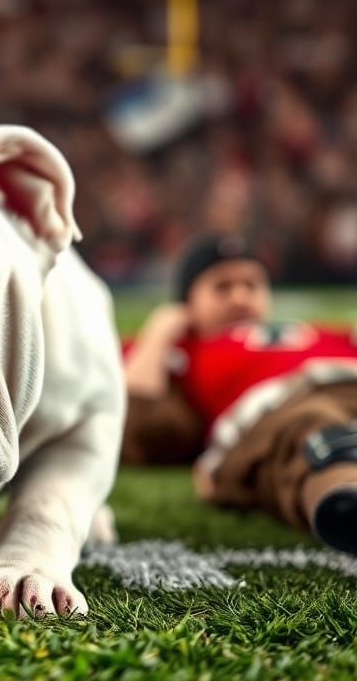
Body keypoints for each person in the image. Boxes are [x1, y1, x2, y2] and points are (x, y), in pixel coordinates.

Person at [122, 232, 357, 553]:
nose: (240, 297)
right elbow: (134, 420)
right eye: (222, 287)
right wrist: (159, 333)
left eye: (251, 285)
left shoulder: (320, 331)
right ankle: (344, 493)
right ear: (187, 302)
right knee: (312, 427)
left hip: (347, 382)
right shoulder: (182, 350)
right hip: (277, 414)